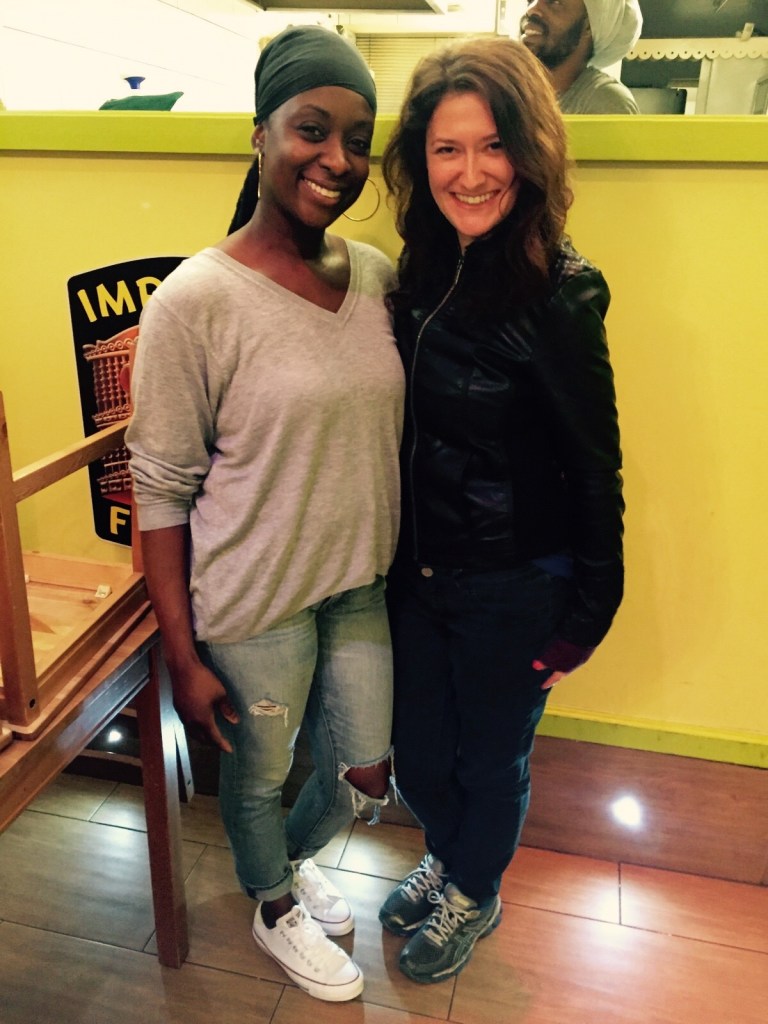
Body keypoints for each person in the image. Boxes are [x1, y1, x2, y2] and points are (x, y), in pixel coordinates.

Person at [125, 25, 404, 1003]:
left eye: (358, 140)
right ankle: (275, 903)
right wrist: (183, 653)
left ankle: (284, 863)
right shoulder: (194, 301)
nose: (337, 159)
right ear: (260, 135)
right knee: (256, 772)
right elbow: (159, 490)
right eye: (311, 129)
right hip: (255, 605)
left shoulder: (377, 278)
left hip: (358, 587)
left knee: (363, 769)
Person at [378, 37, 624, 984]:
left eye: (493, 146)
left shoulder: (562, 292)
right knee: (418, 759)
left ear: (529, 152)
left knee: (488, 764)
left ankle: (473, 888)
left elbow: (594, 466)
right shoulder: (422, 268)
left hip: (515, 584)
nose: (471, 173)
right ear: (421, 157)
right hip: (419, 574)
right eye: (448, 149)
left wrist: (589, 614)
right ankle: (452, 856)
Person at [520, 0, 642, 114]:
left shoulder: (606, 103)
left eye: (555, 2)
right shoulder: (518, 93)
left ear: (588, 26)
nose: (531, 10)